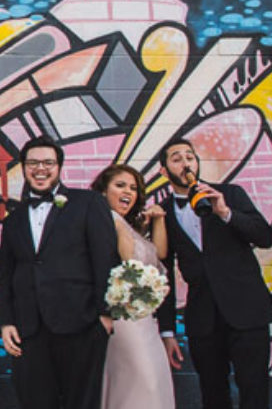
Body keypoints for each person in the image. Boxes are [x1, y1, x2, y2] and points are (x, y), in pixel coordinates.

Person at [148, 137, 272, 409]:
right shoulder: (164, 213)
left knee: (254, 391)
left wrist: (226, 212)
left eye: (190, 157)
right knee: (213, 394)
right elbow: (164, 274)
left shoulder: (230, 194)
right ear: (164, 171)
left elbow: (265, 237)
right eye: (177, 158)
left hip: (247, 312)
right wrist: (167, 330)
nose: (185, 163)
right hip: (203, 318)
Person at [0, 137, 118, 409]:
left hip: (82, 322)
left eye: (48, 163)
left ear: (59, 166)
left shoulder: (88, 202)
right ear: (24, 168)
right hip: (29, 328)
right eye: (32, 163)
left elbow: (105, 258)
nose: (40, 169)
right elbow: (6, 274)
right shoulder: (13, 218)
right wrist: (6, 321)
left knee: (82, 401)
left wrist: (105, 314)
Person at [92, 165, 175, 409]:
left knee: (154, 379)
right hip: (124, 318)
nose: (128, 191)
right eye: (120, 185)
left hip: (145, 319)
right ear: (103, 191)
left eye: (133, 188)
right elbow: (129, 265)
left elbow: (159, 253)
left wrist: (156, 221)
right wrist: (155, 290)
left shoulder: (129, 227)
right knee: (142, 379)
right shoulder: (111, 220)